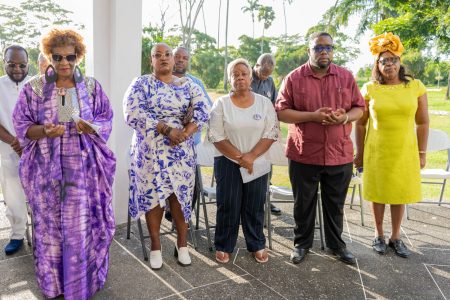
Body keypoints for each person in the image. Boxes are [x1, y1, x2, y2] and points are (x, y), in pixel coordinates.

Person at [12, 28, 116, 300]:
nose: (64, 63)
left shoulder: (91, 87)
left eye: (70, 57)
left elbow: (106, 119)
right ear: (49, 56)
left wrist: (90, 127)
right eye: (57, 57)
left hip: (83, 173)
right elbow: (22, 126)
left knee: (80, 225)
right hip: (47, 173)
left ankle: (81, 284)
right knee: (50, 228)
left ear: (79, 56)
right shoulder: (34, 89)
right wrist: (44, 131)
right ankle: (55, 285)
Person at [276, 32, 365, 265]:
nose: (323, 51)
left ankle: (337, 245)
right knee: (303, 203)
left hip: (339, 153)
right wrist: (312, 117)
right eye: (318, 48)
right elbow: (281, 111)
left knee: (335, 204)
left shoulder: (345, 77)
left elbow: (359, 108)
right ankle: (301, 244)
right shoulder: (294, 78)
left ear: (333, 51)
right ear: (309, 51)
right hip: (304, 152)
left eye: (328, 47)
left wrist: (344, 118)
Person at [124, 43, 210, 270]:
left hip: (181, 151)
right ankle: (155, 245)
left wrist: (185, 132)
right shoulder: (141, 84)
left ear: (174, 60)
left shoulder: (188, 84)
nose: (163, 58)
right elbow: (132, 113)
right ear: (151, 61)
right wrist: (166, 129)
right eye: (157, 55)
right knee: (154, 197)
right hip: (150, 152)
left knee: (180, 197)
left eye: (167, 55)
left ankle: (182, 244)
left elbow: (203, 110)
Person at [354, 32, 429, 258]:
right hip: (377, 150)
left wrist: (422, 152)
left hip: (405, 151)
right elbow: (360, 124)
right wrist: (359, 152)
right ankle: (378, 235)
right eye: (384, 60)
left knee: (399, 193)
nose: (389, 64)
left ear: (400, 62)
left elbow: (423, 121)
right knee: (378, 193)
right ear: (377, 64)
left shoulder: (415, 86)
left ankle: (396, 237)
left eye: (393, 59)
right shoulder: (369, 88)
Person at [208, 58, 279, 264]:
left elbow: (271, 132)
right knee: (228, 204)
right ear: (229, 79)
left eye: (244, 73)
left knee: (255, 204)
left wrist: (251, 157)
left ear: (251, 77)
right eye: (235, 74)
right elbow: (216, 136)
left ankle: (256, 243)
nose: (240, 77)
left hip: (257, 162)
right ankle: (224, 244)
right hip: (228, 161)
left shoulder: (264, 103)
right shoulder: (221, 104)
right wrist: (242, 158)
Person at [164, 46, 213, 222]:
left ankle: (183, 218)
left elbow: (208, 110)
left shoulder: (196, 83)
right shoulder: (162, 81)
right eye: (177, 56)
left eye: (185, 58)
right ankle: (171, 212)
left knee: (193, 186)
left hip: (190, 146)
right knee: (165, 185)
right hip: (165, 144)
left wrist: (191, 118)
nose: (180, 60)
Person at [0, 45, 30, 255]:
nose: (17, 69)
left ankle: (43, 234)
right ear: (4, 63)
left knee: (41, 194)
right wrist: (13, 141)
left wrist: (27, 142)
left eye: (22, 64)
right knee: (13, 194)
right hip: (8, 150)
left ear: (28, 64)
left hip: (36, 149)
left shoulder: (38, 85)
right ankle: (18, 234)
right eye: (12, 64)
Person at [251, 53, 282, 215]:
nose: (265, 77)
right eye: (263, 73)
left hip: (266, 133)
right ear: (256, 65)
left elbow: (274, 106)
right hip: (248, 133)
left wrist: (276, 128)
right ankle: (251, 205)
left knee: (267, 168)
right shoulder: (245, 77)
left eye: (268, 74)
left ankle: (265, 202)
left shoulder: (269, 82)